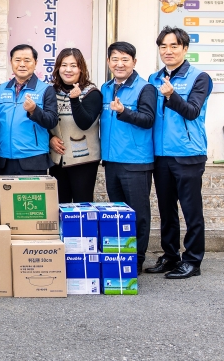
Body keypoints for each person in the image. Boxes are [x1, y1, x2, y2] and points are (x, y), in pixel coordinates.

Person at [146, 27, 213, 279]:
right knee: (166, 209)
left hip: (188, 154)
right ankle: (170, 255)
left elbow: (193, 111)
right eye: (163, 46)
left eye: (174, 46)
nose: (168, 51)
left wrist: (172, 95)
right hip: (160, 155)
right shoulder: (153, 78)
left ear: (185, 49)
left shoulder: (200, 77)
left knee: (191, 209)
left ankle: (193, 260)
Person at [100, 41, 157, 274]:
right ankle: (120, 256)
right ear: (108, 62)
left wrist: (124, 112)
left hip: (136, 162)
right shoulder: (105, 88)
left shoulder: (146, 88)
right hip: (111, 161)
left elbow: (148, 120)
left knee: (138, 214)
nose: (119, 64)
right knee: (117, 213)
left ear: (134, 62)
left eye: (125, 59)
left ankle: (137, 260)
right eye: (115, 59)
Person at [0, 44, 58, 175]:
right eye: (17, 60)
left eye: (27, 60)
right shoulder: (1, 89)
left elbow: (52, 121)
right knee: (6, 196)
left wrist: (34, 110)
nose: (22, 64)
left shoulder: (46, 90)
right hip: (5, 159)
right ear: (11, 62)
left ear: (35, 63)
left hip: (34, 159)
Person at [48, 48, 102, 203]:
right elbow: (45, 121)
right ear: (58, 68)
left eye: (73, 65)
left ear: (81, 68)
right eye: (64, 65)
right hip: (57, 160)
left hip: (83, 161)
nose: (68, 70)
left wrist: (75, 100)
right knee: (58, 206)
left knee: (82, 207)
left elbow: (84, 123)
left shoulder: (92, 93)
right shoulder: (50, 91)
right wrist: (50, 138)